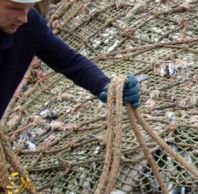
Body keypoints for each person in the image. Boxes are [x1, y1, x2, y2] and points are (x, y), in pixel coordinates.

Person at [0, 0, 140, 119]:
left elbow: (69, 61)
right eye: (15, 8)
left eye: (28, 9)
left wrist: (105, 86)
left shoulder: (30, 24)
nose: (23, 18)